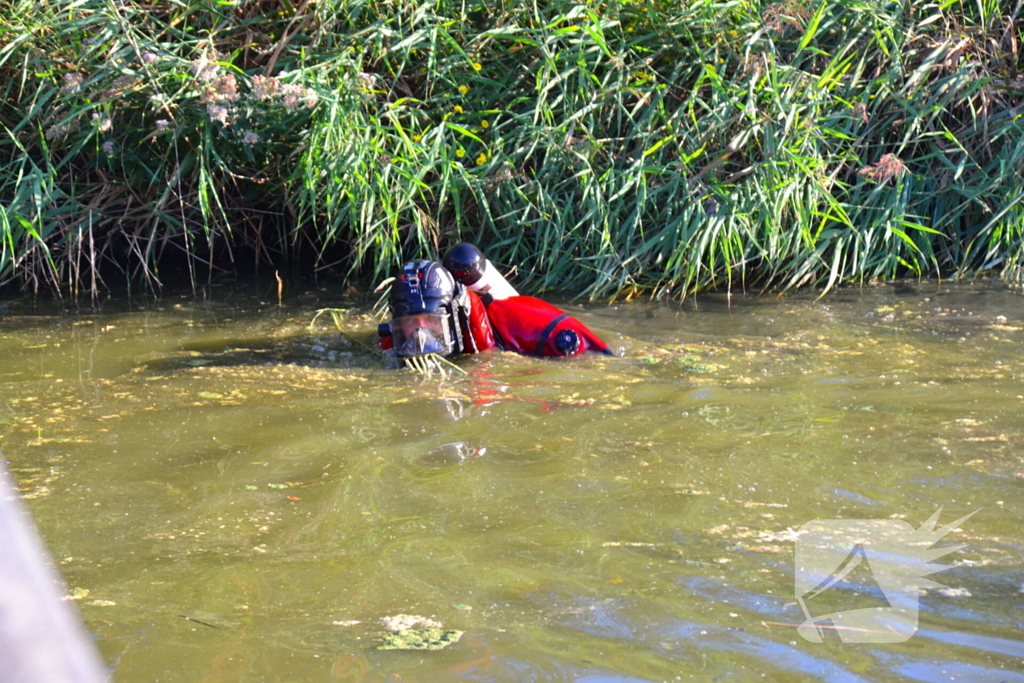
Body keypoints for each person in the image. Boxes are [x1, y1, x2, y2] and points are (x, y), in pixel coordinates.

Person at [378, 245, 610, 360]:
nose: (421, 334)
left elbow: (598, 359)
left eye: (431, 321)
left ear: (454, 314)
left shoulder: (529, 324)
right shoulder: (399, 339)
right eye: (410, 323)